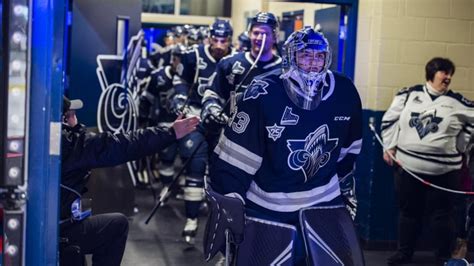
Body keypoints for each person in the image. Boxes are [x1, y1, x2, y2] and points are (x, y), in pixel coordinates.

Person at [204, 26, 364, 265]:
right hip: (267, 206)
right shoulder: (262, 90)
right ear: (290, 56)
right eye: (305, 55)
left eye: (319, 56)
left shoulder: (345, 91)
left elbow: (348, 152)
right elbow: (234, 158)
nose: (312, 63)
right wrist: (231, 199)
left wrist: (345, 189)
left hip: (323, 202)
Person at [59, 96, 199, 265]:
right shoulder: (71, 145)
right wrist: (170, 133)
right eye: (70, 115)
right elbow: (124, 145)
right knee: (117, 226)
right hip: (61, 231)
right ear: (63, 120)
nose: (74, 117)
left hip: (52, 225)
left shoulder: (48, 141)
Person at [381, 57, 474, 264]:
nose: (448, 77)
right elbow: (389, 120)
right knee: (408, 213)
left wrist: (463, 143)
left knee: (443, 216)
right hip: (409, 169)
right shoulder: (407, 95)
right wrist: (389, 146)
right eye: (444, 72)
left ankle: (443, 256)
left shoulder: (458, 102)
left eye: (450, 73)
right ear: (431, 73)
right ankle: (404, 253)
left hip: (446, 173)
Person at [169, 18, 235, 244]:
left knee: (221, 172)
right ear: (208, 38)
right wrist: (179, 98)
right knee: (195, 166)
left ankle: (219, 219)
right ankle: (191, 218)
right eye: (215, 39)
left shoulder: (234, 61)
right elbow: (179, 78)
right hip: (196, 116)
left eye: (223, 40)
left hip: (222, 122)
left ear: (229, 41)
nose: (218, 45)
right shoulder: (193, 55)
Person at [201, 12, 282, 151]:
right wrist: (212, 109)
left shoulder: (285, 70)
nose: (259, 38)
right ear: (249, 34)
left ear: (275, 37)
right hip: (232, 140)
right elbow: (212, 92)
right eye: (256, 33)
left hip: (271, 143)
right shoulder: (229, 63)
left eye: (265, 34)